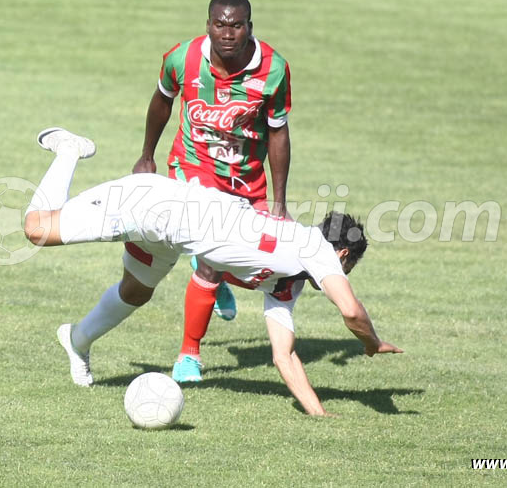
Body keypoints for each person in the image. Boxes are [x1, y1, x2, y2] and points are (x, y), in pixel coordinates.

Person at [25, 128, 402, 416]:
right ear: (342, 253)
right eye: (348, 266)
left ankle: (77, 340)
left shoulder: (288, 281)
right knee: (37, 229)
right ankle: (69, 150)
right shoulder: (316, 248)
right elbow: (351, 311)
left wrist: (320, 414)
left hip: (169, 235)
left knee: (136, 290)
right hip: (151, 207)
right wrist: (372, 342)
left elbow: (284, 356)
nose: (344, 274)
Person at [131, 0, 293, 383]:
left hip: (246, 179)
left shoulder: (273, 69)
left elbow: (278, 133)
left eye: (236, 25)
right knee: (211, 255)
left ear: (249, 27)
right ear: (208, 25)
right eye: (220, 24)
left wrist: (279, 201)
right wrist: (147, 155)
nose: (227, 33)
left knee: (267, 263)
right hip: (193, 166)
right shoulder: (181, 58)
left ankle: (215, 272)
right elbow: (162, 101)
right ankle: (189, 356)